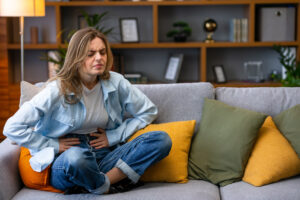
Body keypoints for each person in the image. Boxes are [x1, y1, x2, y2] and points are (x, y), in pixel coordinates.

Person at [3, 27, 172, 195]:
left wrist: (113, 136)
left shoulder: (116, 81)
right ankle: (104, 185)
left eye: (102, 52)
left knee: (161, 139)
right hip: (67, 161)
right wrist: (53, 145)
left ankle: (101, 184)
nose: (99, 58)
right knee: (76, 157)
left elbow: (148, 111)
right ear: (77, 57)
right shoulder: (56, 89)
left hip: (105, 156)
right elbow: (12, 127)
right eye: (90, 54)